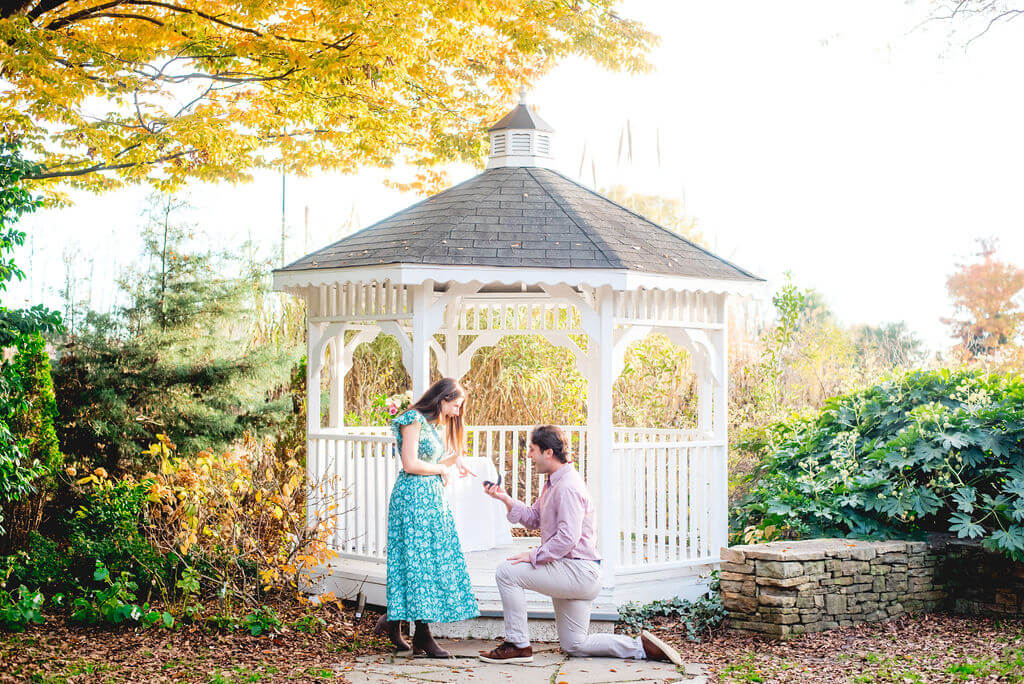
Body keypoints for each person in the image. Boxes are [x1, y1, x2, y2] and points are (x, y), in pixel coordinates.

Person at [479, 425, 682, 665]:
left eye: (532, 450)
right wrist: (505, 498)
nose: (528, 455)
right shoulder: (555, 483)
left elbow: (567, 538)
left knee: (507, 572)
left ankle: (517, 645)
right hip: (578, 572)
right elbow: (534, 517)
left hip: (577, 571)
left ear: (548, 453)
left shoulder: (567, 487)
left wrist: (533, 555)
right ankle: (641, 648)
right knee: (574, 644)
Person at [373, 378, 479, 657]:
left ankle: (393, 620)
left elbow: (428, 462)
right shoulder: (412, 419)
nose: (457, 412)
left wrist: (451, 462)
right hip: (412, 501)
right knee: (418, 562)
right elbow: (410, 463)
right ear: (442, 398)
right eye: (455, 405)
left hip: (430, 501)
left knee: (427, 562)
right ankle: (421, 634)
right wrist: (441, 470)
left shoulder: (432, 426)